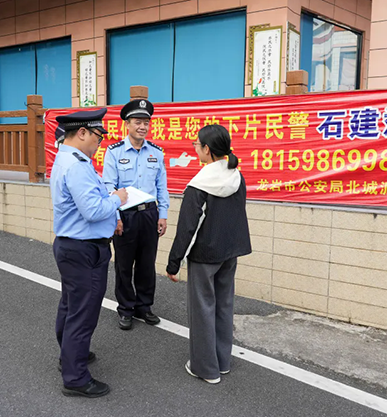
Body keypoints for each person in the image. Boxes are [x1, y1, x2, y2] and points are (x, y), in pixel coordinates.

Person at [51, 108, 128, 398]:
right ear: (82, 132)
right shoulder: (77, 166)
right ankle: (75, 378)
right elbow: (93, 210)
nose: (99, 142)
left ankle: (70, 355)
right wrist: (117, 199)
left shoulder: (66, 158)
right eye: (98, 135)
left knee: (71, 305)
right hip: (84, 249)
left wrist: (111, 210)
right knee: (83, 313)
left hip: (73, 246)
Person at [166, 124, 251, 384]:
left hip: (205, 256)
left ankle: (205, 369)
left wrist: (173, 263)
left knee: (202, 310)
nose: (195, 147)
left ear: (206, 149)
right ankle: (222, 362)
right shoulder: (236, 176)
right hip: (230, 252)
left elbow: (187, 228)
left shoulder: (199, 184)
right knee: (224, 305)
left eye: (196, 144)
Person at [102, 99, 170, 330]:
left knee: (146, 264)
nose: (142, 127)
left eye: (146, 123)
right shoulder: (114, 152)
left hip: (149, 214)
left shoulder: (156, 153)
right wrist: (115, 217)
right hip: (125, 216)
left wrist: (163, 214)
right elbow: (109, 186)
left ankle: (144, 306)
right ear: (127, 124)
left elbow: (162, 186)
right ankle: (126, 308)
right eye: (138, 122)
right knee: (123, 265)